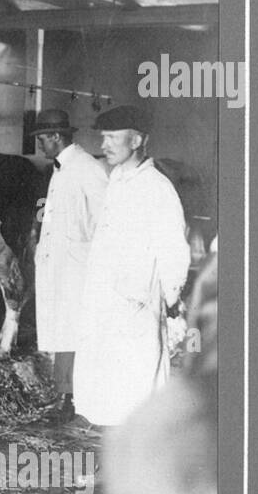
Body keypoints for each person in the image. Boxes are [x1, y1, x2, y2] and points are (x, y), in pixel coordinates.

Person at [74, 104, 191, 428]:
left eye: (112, 137)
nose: (104, 145)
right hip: (107, 298)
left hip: (137, 301)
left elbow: (173, 250)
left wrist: (171, 301)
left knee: (136, 381)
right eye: (103, 137)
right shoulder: (118, 181)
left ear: (137, 140)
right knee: (108, 381)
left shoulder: (156, 188)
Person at [31, 108, 108, 422]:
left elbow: (105, 221)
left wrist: (93, 262)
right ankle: (65, 395)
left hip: (78, 268)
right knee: (63, 330)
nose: (39, 146)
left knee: (74, 330)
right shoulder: (60, 169)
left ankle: (73, 397)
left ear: (55, 136)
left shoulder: (87, 169)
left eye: (41, 139)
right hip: (59, 265)